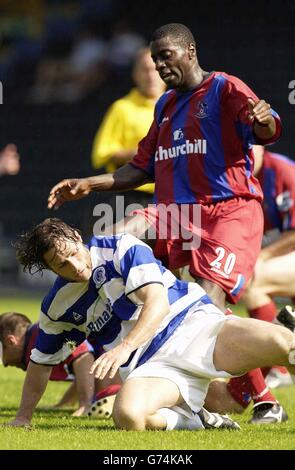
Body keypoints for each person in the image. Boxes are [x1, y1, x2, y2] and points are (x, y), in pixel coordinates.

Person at [47, 23, 283, 423]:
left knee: (206, 304)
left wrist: (265, 119)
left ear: (190, 51)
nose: (159, 65)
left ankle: (256, 395)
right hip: (175, 212)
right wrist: (90, 183)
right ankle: (129, 360)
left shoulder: (224, 87)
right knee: (111, 241)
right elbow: (140, 168)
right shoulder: (166, 105)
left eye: (166, 56)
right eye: (155, 58)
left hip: (228, 209)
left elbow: (266, 127)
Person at [7, 218, 295, 431]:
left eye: (73, 253)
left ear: (76, 235)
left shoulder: (120, 247)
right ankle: (196, 420)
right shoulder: (56, 306)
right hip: (152, 367)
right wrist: (23, 416)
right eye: (61, 265)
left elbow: (157, 303)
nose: (75, 266)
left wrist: (123, 348)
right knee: (129, 417)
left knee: (287, 345)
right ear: (51, 270)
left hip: (197, 328)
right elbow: (41, 363)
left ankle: (241, 398)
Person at [242, 146, 295, 387]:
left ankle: (279, 368)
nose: (246, 152)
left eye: (251, 145)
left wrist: (262, 256)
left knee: (254, 280)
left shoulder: (283, 171)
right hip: (280, 257)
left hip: (284, 253)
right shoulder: (236, 176)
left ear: (263, 146)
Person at [91, 47, 165, 214]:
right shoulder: (122, 108)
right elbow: (103, 154)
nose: (151, 75)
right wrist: (146, 153)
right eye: (145, 70)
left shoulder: (178, 106)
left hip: (171, 198)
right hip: (133, 198)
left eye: (156, 69)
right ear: (135, 75)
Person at [0, 312, 96, 417]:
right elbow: (80, 371)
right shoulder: (35, 339)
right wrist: (64, 404)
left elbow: (83, 354)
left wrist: (85, 403)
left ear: (11, 341)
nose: (5, 364)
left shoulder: (42, 335)